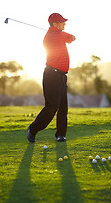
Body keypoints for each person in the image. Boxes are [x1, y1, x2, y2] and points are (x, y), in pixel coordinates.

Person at [27, 13, 76, 143]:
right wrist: (72, 36)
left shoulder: (55, 34)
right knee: (52, 106)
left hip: (60, 76)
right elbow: (71, 38)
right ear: (55, 24)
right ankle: (33, 129)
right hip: (52, 75)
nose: (64, 24)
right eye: (62, 22)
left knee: (63, 106)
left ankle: (60, 134)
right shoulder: (58, 35)